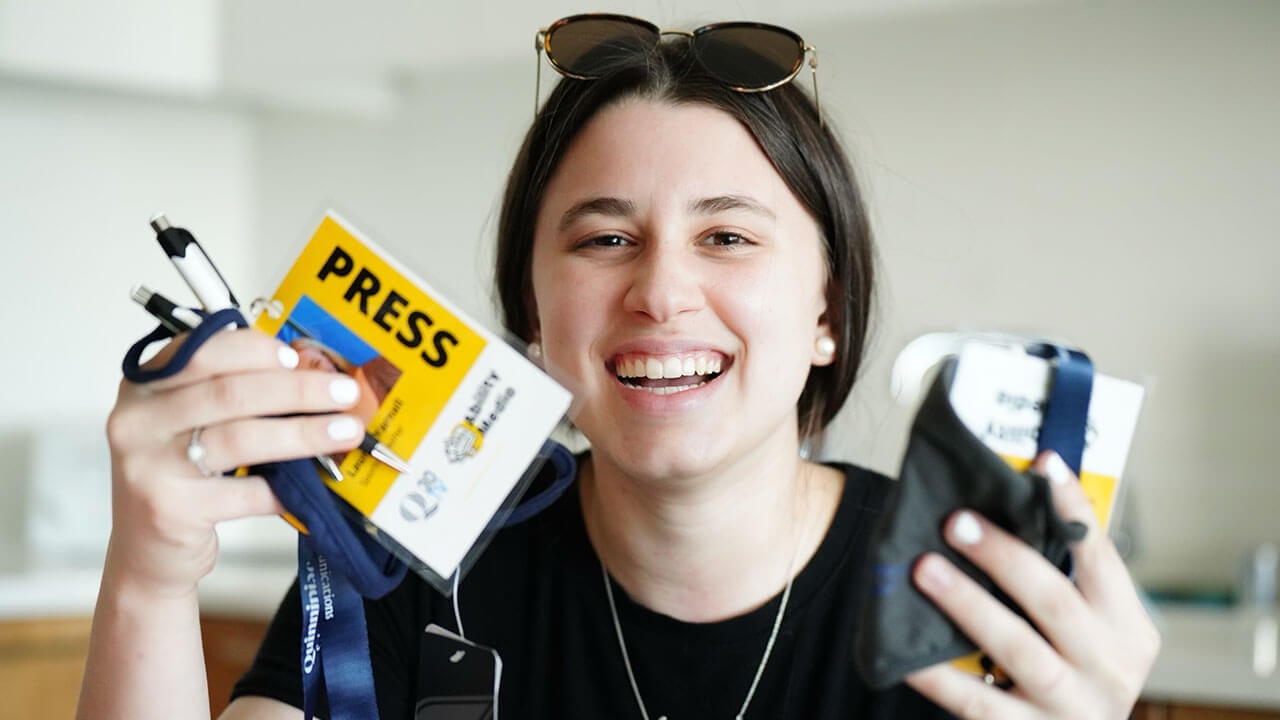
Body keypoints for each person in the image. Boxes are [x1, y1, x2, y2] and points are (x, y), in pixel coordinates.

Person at [78, 15, 1159, 719]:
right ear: (532, 319)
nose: (660, 292)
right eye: (602, 238)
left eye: (727, 238)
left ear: (826, 313)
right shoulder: (414, 562)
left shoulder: (966, 612)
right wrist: (148, 581)